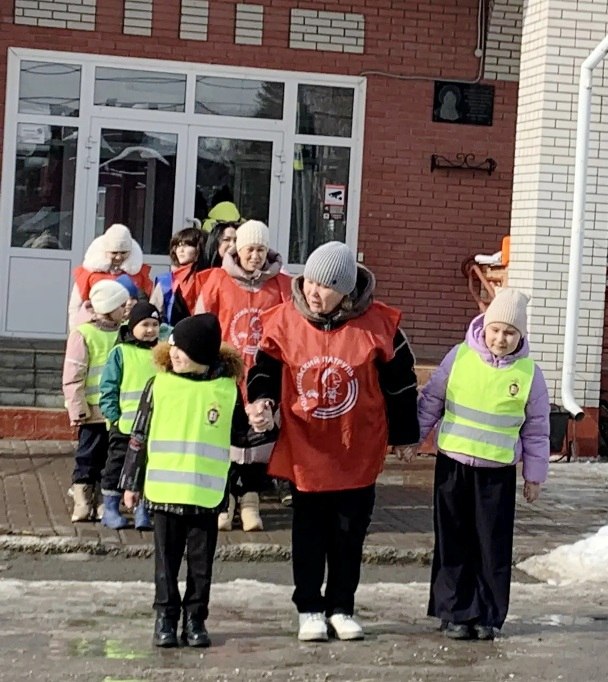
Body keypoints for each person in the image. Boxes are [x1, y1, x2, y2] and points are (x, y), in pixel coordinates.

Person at [246, 241, 419, 642]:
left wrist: (406, 435)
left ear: (345, 289)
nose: (312, 292)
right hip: (306, 448)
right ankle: (308, 607)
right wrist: (261, 400)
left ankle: (341, 606)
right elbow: (263, 370)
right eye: (309, 282)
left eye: (323, 286)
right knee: (309, 532)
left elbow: (402, 385)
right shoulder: (282, 320)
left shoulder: (380, 325)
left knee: (348, 534)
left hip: (357, 447)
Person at [119, 314, 274, 649]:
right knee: (166, 562)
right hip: (164, 493)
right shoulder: (158, 384)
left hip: (206, 495)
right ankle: (165, 617)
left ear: (202, 354)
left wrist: (264, 427)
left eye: (182, 349)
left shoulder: (225, 389)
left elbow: (239, 436)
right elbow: (139, 435)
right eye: (173, 346)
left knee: (201, 565)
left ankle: (195, 619)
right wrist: (131, 482)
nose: (173, 353)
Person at [417, 288, 550, 641]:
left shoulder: (528, 374)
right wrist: (413, 439)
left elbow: (537, 430)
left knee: (491, 545)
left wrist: (533, 476)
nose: (500, 339)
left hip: (497, 474)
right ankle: (454, 612)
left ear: (521, 335)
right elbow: (432, 399)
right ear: (484, 327)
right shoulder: (459, 357)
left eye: (509, 332)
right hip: (453, 465)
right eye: (495, 330)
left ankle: (488, 615)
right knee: (453, 539)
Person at [195, 220, 290, 531]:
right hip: (225, 374)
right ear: (238, 249)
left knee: (258, 441)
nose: (256, 256)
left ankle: (250, 500)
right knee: (225, 439)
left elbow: (291, 329)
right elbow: (201, 325)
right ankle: (226, 500)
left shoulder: (281, 285)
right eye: (250, 249)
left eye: (261, 250)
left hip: (263, 375)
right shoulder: (217, 281)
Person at [62, 279, 130, 522]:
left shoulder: (125, 332)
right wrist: (77, 408)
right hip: (91, 411)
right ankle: (82, 498)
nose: (126, 309)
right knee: (87, 455)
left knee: (110, 457)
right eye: (121, 305)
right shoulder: (83, 333)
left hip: (116, 410)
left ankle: (103, 499)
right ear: (108, 306)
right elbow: (73, 374)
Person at [97, 301, 162, 530]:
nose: (150, 330)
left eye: (155, 324)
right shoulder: (121, 352)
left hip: (153, 427)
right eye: (145, 324)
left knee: (146, 468)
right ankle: (111, 508)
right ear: (132, 325)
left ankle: (143, 510)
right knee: (116, 466)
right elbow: (108, 385)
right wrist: (112, 415)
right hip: (124, 425)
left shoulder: (162, 352)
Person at [68, 224, 151, 331]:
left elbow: (147, 304)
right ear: (104, 250)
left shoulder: (139, 274)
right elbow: (76, 306)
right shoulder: (89, 274)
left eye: (123, 253)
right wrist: (75, 331)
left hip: (128, 329)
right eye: (114, 252)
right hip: (95, 328)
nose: (118, 257)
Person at [151, 225, 206, 326]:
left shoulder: (208, 278)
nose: (181, 250)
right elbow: (153, 313)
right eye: (178, 245)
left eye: (187, 245)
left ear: (199, 248)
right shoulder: (166, 281)